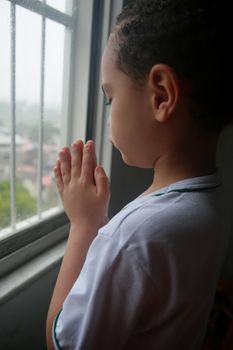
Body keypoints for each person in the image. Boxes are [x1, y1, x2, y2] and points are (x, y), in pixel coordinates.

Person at [46, 0, 233, 349]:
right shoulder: (214, 200)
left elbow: (62, 345)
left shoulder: (132, 239)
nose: (107, 114)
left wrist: (85, 224)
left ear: (161, 95)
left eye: (109, 98)